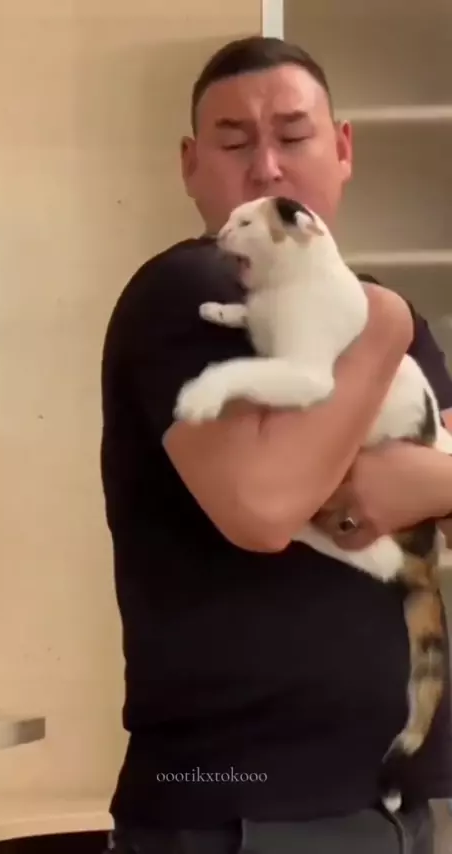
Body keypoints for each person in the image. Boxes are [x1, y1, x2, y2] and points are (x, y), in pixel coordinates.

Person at [100, 36, 452, 854]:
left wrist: (384, 480)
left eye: (293, 135)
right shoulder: (188, 292)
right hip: (240, 803)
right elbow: (264, 505)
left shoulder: (382, 319)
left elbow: (415, 494)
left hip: (397, 796)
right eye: (233, 143)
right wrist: (385, 329)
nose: (266, 168)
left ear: (343, 148)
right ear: (191, 165)